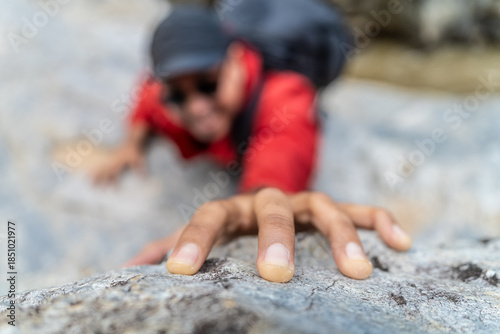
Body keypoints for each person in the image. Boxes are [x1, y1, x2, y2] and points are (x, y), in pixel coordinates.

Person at [93, 5, 412, 283]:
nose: (196, 107)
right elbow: (147, 98)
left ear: (235, 60)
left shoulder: (286, 100)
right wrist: (132, 145)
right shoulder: (167, 95)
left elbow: (272, 188)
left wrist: (247, 209)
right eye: (178, 94)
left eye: (208, 84)